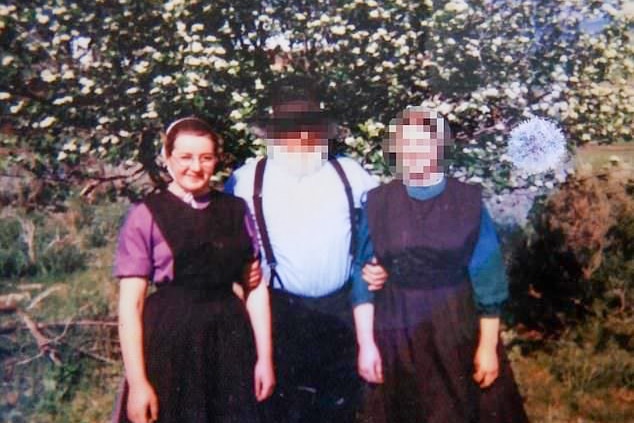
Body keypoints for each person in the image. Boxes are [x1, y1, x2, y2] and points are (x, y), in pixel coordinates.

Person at [226, 77, 387, 423]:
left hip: (340, 313)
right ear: (272, 133)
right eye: (289, 128)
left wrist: (380, 266)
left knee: (341, 410)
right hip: (281, 315)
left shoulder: (351, 173)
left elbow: (382, 232)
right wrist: (237, 274)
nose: (300, 137)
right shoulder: (245, 181)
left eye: (308, 128)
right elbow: (222, 241)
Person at [353, 107, 529, 422]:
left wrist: (487, 348)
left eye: (423, 143)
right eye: (406, 144)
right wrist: (366, 345)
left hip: (456, 330)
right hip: (396, 332)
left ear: (439, 147)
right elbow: (362, 283)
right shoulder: (378, 203)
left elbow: (488, 283)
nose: (414, 152)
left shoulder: (468, 201)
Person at [112, 117, 274, 423]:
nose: (195, 167)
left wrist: (264, 359)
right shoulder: (146, 214)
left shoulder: (235, 210)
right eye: (185, 157)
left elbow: (254, 288)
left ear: (217, 160)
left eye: (206, 157)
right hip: (169, 344)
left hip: (230, 342)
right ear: (168, 158)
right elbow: (130, 307)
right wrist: (138, 383)